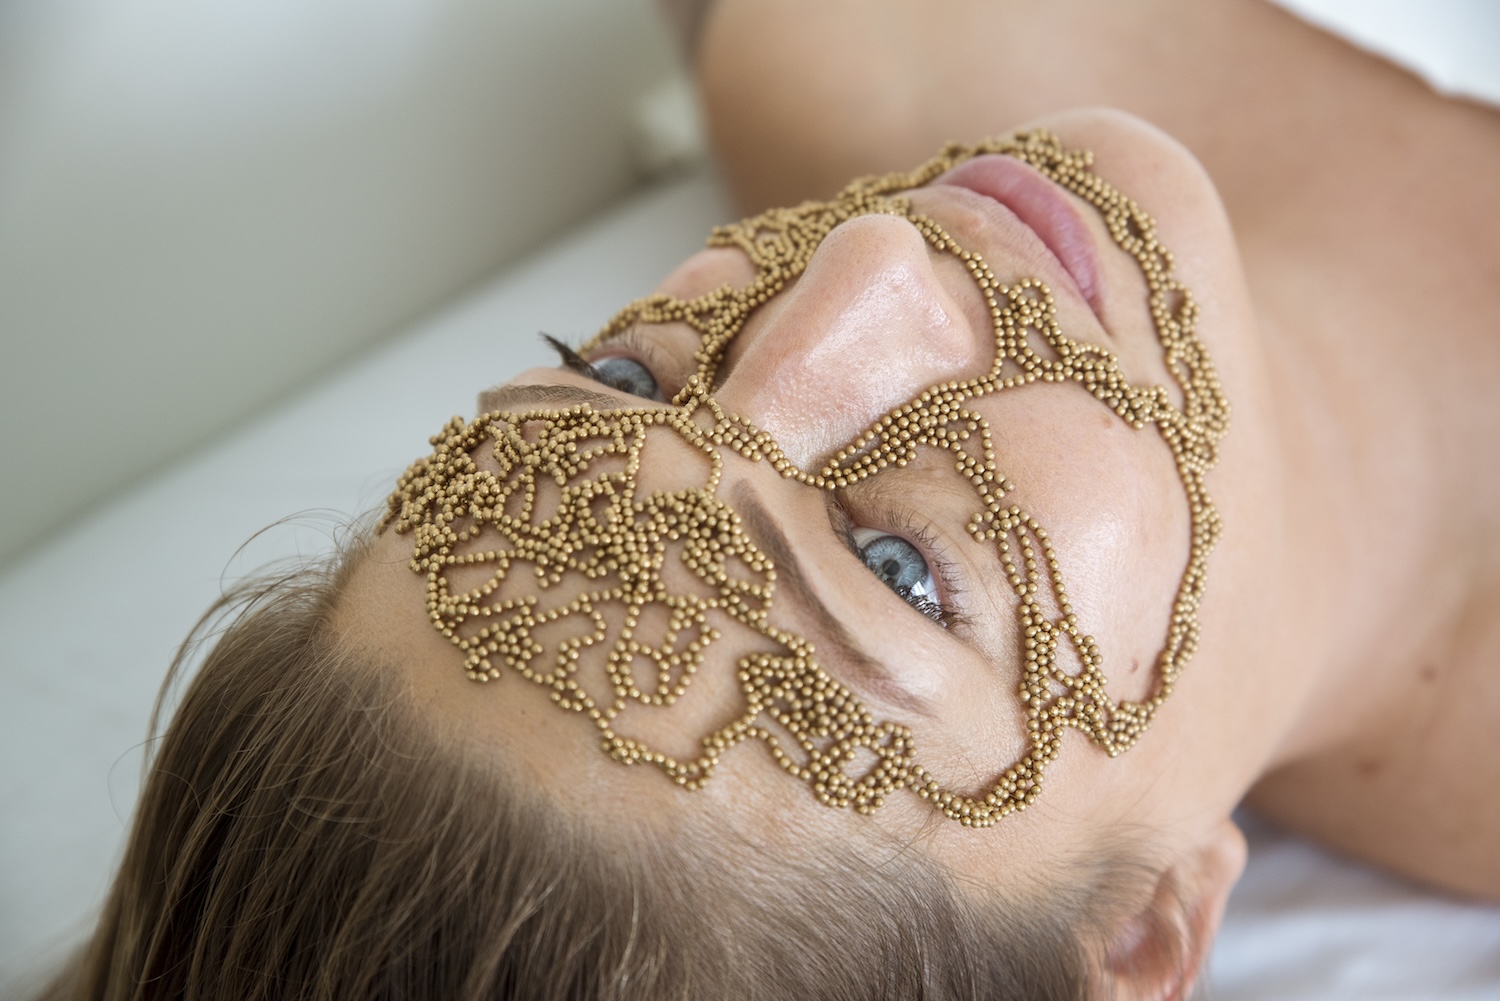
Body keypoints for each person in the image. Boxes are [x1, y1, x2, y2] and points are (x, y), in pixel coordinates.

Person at [33, 1, 1500, 999]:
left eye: (620, 380)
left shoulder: (833, 37)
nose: (868, 264)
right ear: (1138, 937)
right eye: (901, 569)